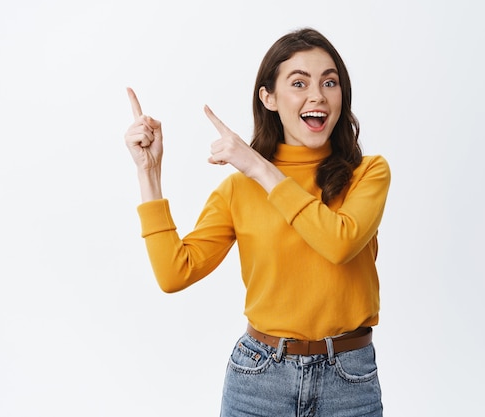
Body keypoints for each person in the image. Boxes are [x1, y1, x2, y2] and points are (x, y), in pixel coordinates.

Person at [124, 27, 390, 417]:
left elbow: (339, 243)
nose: (317, 95)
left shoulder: (368, 173)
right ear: (269, 98)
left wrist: (257, 167)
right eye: (299, 83)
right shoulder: (239, 189)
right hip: (259, 378)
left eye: (329, 82)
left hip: (348, 381)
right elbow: (173, 273)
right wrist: (149, 172)